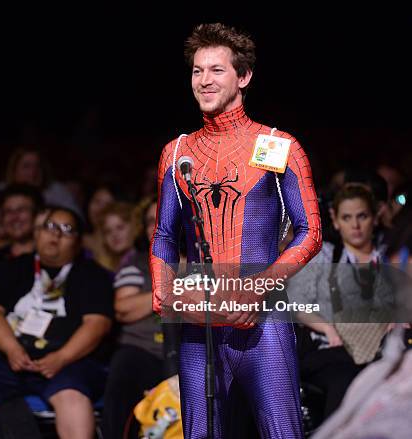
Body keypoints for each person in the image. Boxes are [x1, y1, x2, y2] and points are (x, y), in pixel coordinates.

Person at [149, 23, 322, 438]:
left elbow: (311, 231)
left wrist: (256, 289)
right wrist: (162, 288)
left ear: (243, 77)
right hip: (199, 325)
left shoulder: (278, 145)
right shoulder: (176, 152)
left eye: (217, 70)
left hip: (264, 323)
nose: (204, 80)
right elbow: (165, 236)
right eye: (197, 71)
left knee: (283, 432)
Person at [0, 206, 114, 439]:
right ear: (37, 233)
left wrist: (62, 358)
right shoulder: (14, 267)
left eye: (66, 229)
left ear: (79, 242)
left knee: (73, 397)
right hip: (8, 358)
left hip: (68, 361)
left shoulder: (92, 274)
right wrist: (12, 349)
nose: (56, 235)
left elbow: (97, 324)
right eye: (50, 227)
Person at [288, 183, 394, 419]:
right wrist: (328, 328)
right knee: (348, 379)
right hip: (330, 349)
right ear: (336, 221)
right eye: (347, 218)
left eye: (362, 216)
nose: (355, 225)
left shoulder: (387, 258)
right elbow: (295, 303)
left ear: (375, 218)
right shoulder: (324, 256)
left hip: (383, 350)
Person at [101, 197, 179, 439]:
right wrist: (174, 287)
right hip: (143, 349)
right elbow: (124, 308)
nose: (156, 226)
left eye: (163, 219)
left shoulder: (208, 261)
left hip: (193, 351)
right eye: (149, 222)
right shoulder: (136, 263)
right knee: (125, 368)